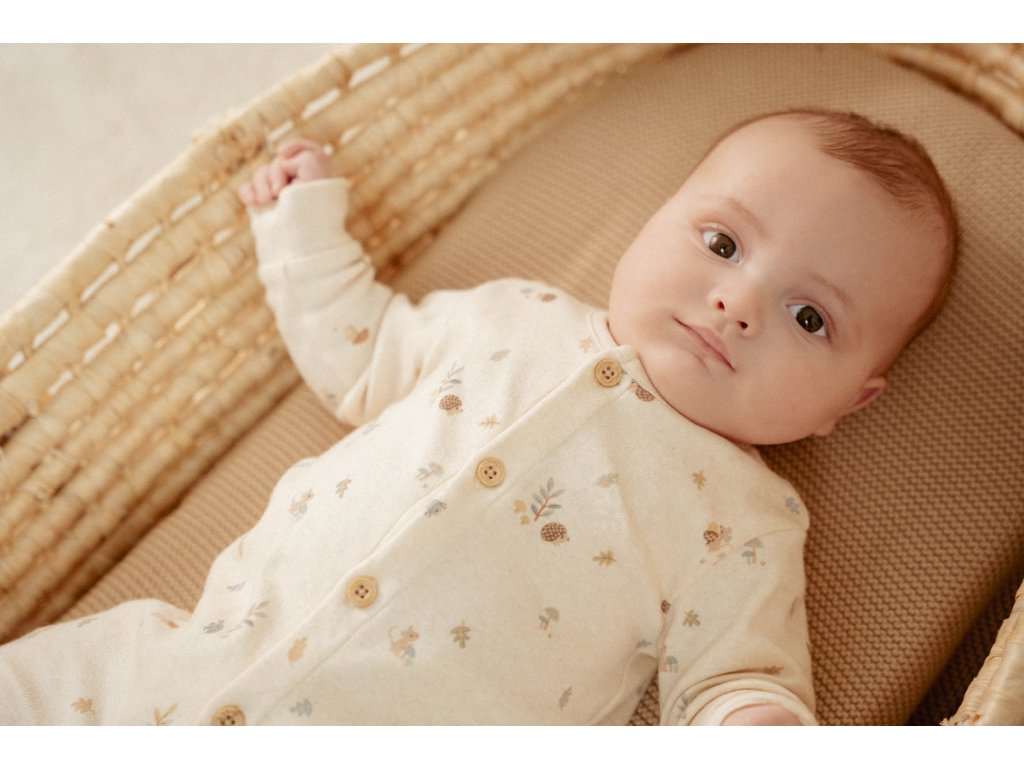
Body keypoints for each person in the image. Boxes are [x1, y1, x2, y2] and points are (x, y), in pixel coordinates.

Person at [0, 109, 956, 726]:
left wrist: (754, 722)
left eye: (809, 317)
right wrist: (303, 228)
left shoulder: (744, 524)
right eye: (721, 242)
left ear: (848, 403)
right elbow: (364, 350)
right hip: (157, 675)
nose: (736, 303)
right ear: (654, 220)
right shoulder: (511, 317)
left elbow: (731, 678)